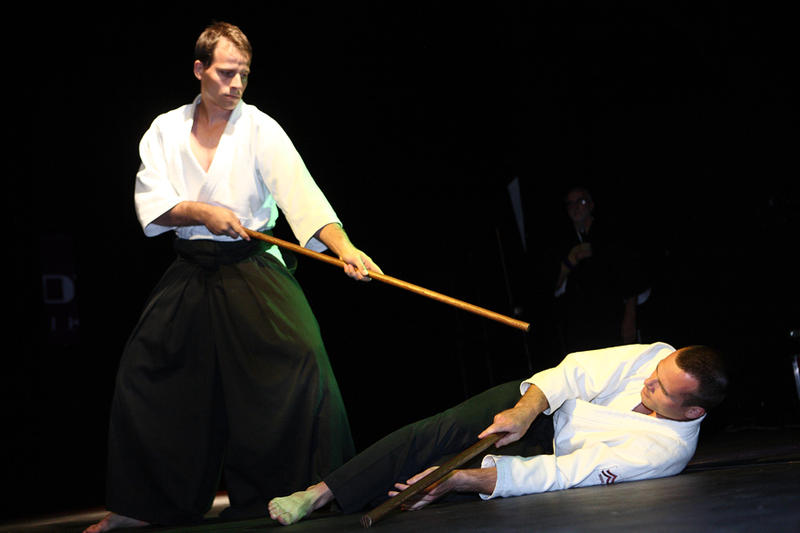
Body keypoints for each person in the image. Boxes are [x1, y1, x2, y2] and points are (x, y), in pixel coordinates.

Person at [85, 22, 382, 533]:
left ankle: (308, 491)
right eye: (226, 73)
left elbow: (304, 198)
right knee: (145, 370)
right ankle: (145, 504)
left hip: (252, 263)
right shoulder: (165, 130)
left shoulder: (260, 128)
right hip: (192, 266)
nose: (236, 84)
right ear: (199, 70)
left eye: (244, 74)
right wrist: (201, 211)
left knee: (304, 360)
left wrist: (346, 249)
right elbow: (154, 204)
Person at [268, 342, 727, 525]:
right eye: (655, 373)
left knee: (433, 481)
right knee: (438, 431)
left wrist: (459, 479)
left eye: (661, 388)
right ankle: (321, 492)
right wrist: (523, 412)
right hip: (540, 402)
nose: (648, 381)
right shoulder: (656, 356)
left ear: (692, 412)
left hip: (549, 451)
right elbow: (576, 371)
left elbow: (565, 472)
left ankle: (382, 490)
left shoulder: (663, 452)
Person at [552, 186, 647, 354]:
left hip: (613, 320)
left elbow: (631, 277)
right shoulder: (561, 242)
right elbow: (552, 286)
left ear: (591, 205)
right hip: (580, 327)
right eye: (570, 203)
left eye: (581, 201)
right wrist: (570, 260)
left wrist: (630, 317)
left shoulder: (611, 234)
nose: (576, 207)